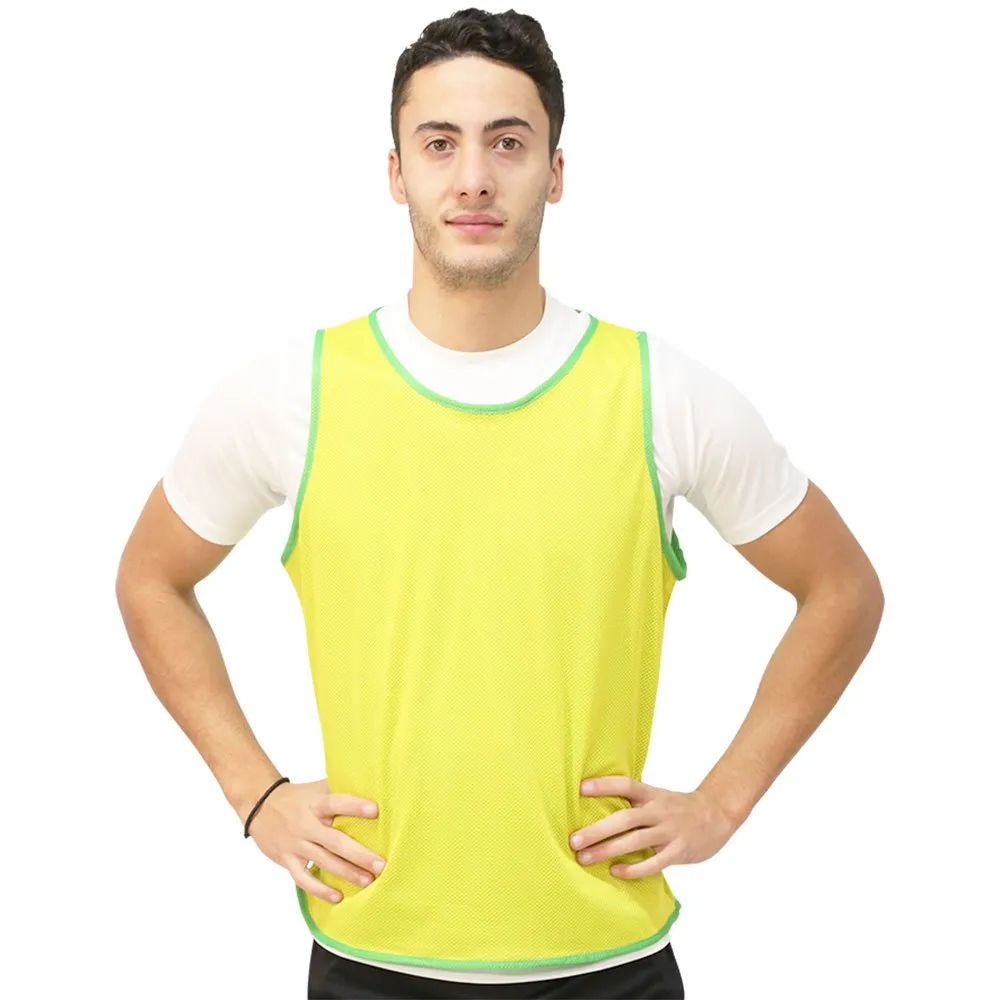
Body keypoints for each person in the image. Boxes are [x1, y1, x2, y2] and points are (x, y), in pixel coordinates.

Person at [115, 8, 884, 999]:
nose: (473, 177)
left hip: (610, 964)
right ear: (395, 172)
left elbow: (841, 590)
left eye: (508, 143)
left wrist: (721, 804)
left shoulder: (663, 394)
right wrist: (254, 793)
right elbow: (151, 577)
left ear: (555, 173)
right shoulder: (288, 395)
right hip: (369, 959)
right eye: (440, 143)